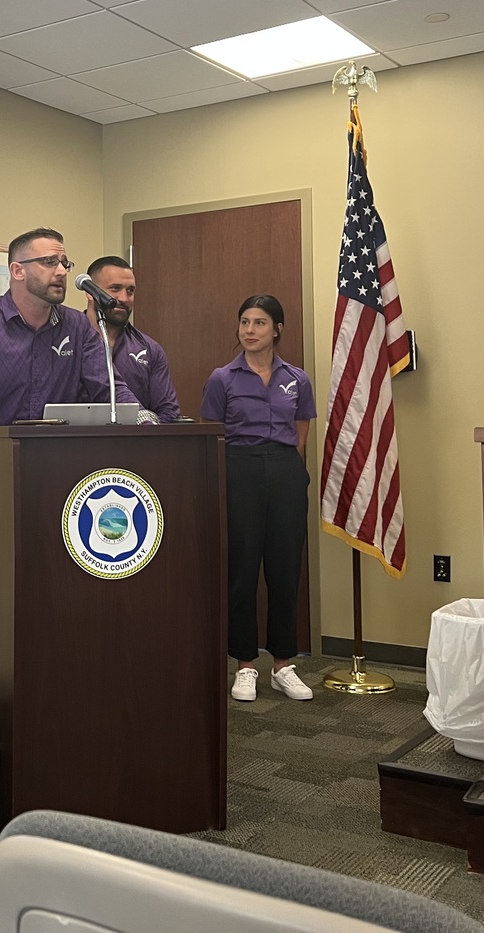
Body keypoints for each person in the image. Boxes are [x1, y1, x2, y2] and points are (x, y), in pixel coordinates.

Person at [0, 228, 144, 606]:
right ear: (17, 270)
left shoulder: (79, 327)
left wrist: (146, 421)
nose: (61, 271)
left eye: (64, 262)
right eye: (49, 262)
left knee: (56, 586)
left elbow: (109, 390)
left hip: (58, 474)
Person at [201, 294, 316, 704]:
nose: (249, 330)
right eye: (244, 322)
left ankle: (283, 664)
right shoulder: (222, 378)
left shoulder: (297, 379)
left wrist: (282, 468)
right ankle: (245, 664)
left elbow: (300, 432)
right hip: (239, 470)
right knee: (243, 569)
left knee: (285, 570)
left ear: (278, 329)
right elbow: (212, 434)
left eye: (260, 323)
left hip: (285, 471)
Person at [79, 255, 181, 423]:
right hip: (74, 444)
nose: (124, 298)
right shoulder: (70, 340)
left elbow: (168, 412)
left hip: (134, 444)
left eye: (130, 291)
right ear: (90, 292)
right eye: (115, 288)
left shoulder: (149, 349)